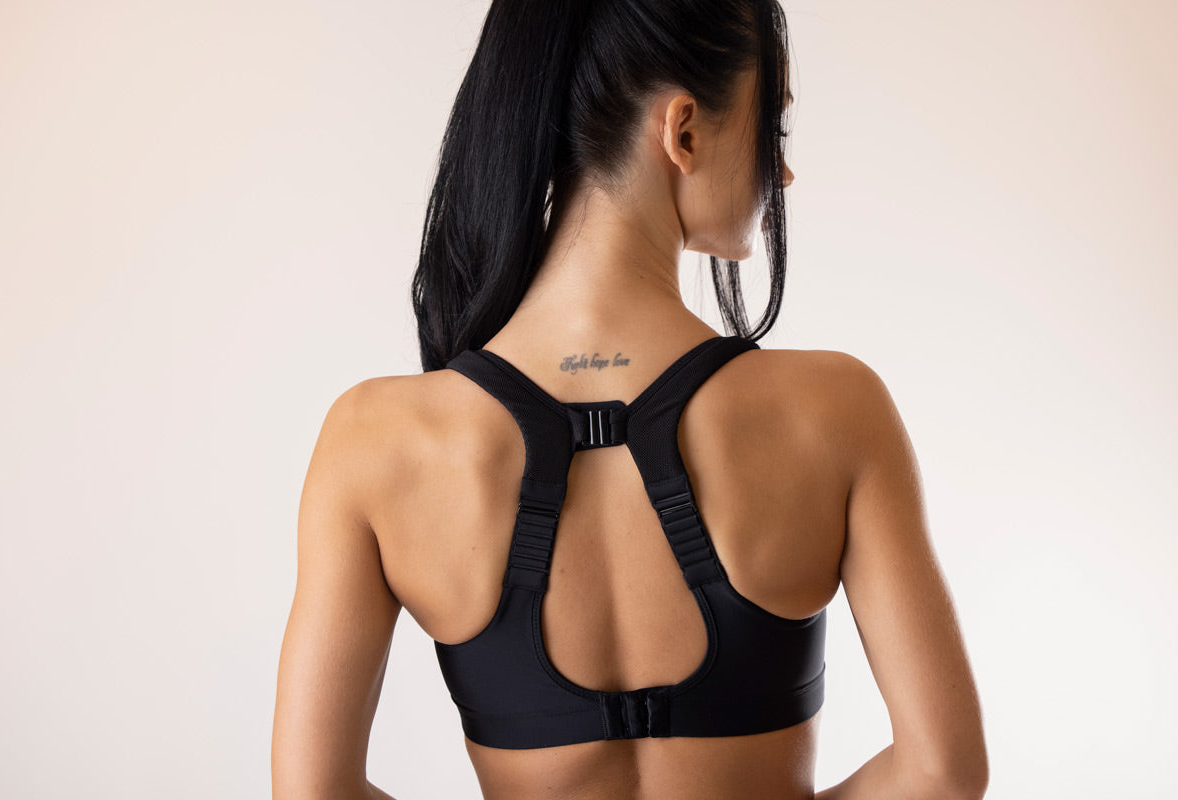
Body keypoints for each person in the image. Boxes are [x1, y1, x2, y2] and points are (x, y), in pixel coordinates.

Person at [272, 1, 988, 798]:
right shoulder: (835, 411)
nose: (781, 172)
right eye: (773, 129)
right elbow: (943, 772)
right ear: (684, 131)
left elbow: (311, 794)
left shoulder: (373, 440)